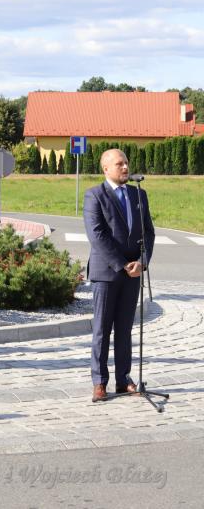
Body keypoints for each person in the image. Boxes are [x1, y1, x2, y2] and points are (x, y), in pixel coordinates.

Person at [83, 148, 155, 403]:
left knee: (125, 329)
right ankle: (99, 382)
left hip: (133, 273)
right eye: (119, 164)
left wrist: (142, 263)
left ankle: (123, 379)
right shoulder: (95, 195)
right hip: (106, 273)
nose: (125, 167)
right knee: (102, 330)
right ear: (106, 169)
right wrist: (123, 264)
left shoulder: (138, 194)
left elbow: (148, 232)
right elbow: (97, 235)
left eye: (126, 163)